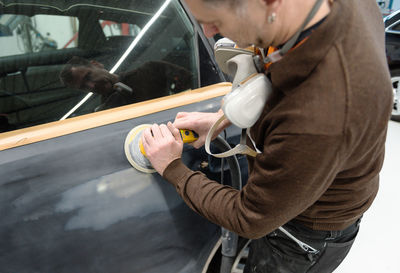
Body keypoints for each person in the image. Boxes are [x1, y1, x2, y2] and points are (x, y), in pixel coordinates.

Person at [141, 0, 393, 272]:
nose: (209, 31)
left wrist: (174, 169)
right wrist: (223, 118)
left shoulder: (321, 114)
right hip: (304, 186)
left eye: (216, 20)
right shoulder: (317, 16)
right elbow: (282, 79)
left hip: (303, 235)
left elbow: (250, 217)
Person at [59, 56, 193, 111]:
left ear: (96, 65)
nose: (92, 86)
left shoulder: (152, 70)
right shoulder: (105, 113)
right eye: (84, 86)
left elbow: (192, 84)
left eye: (88, 76)